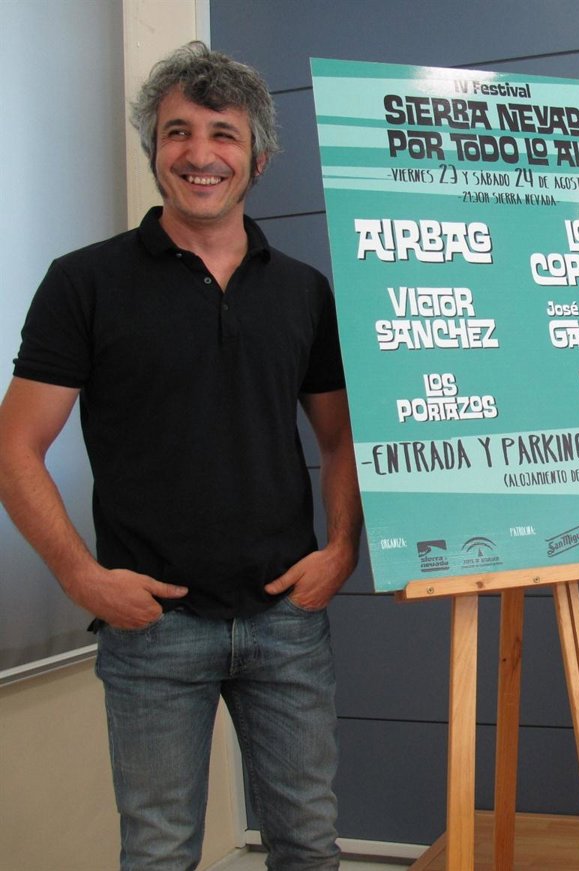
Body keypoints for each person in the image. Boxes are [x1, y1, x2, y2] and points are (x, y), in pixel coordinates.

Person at [0, 42, 360, 869]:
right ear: (154, 151)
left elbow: (340, 438)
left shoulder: (303, 291)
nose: (201, 154)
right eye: (178, 132)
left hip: (286, 621)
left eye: (223, 134)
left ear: (258, 157)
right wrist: (82, 577)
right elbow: (15, 446)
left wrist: (342, 549)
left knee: (309, 845)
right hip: (152, 629)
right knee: (160, 853)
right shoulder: (83, 283)